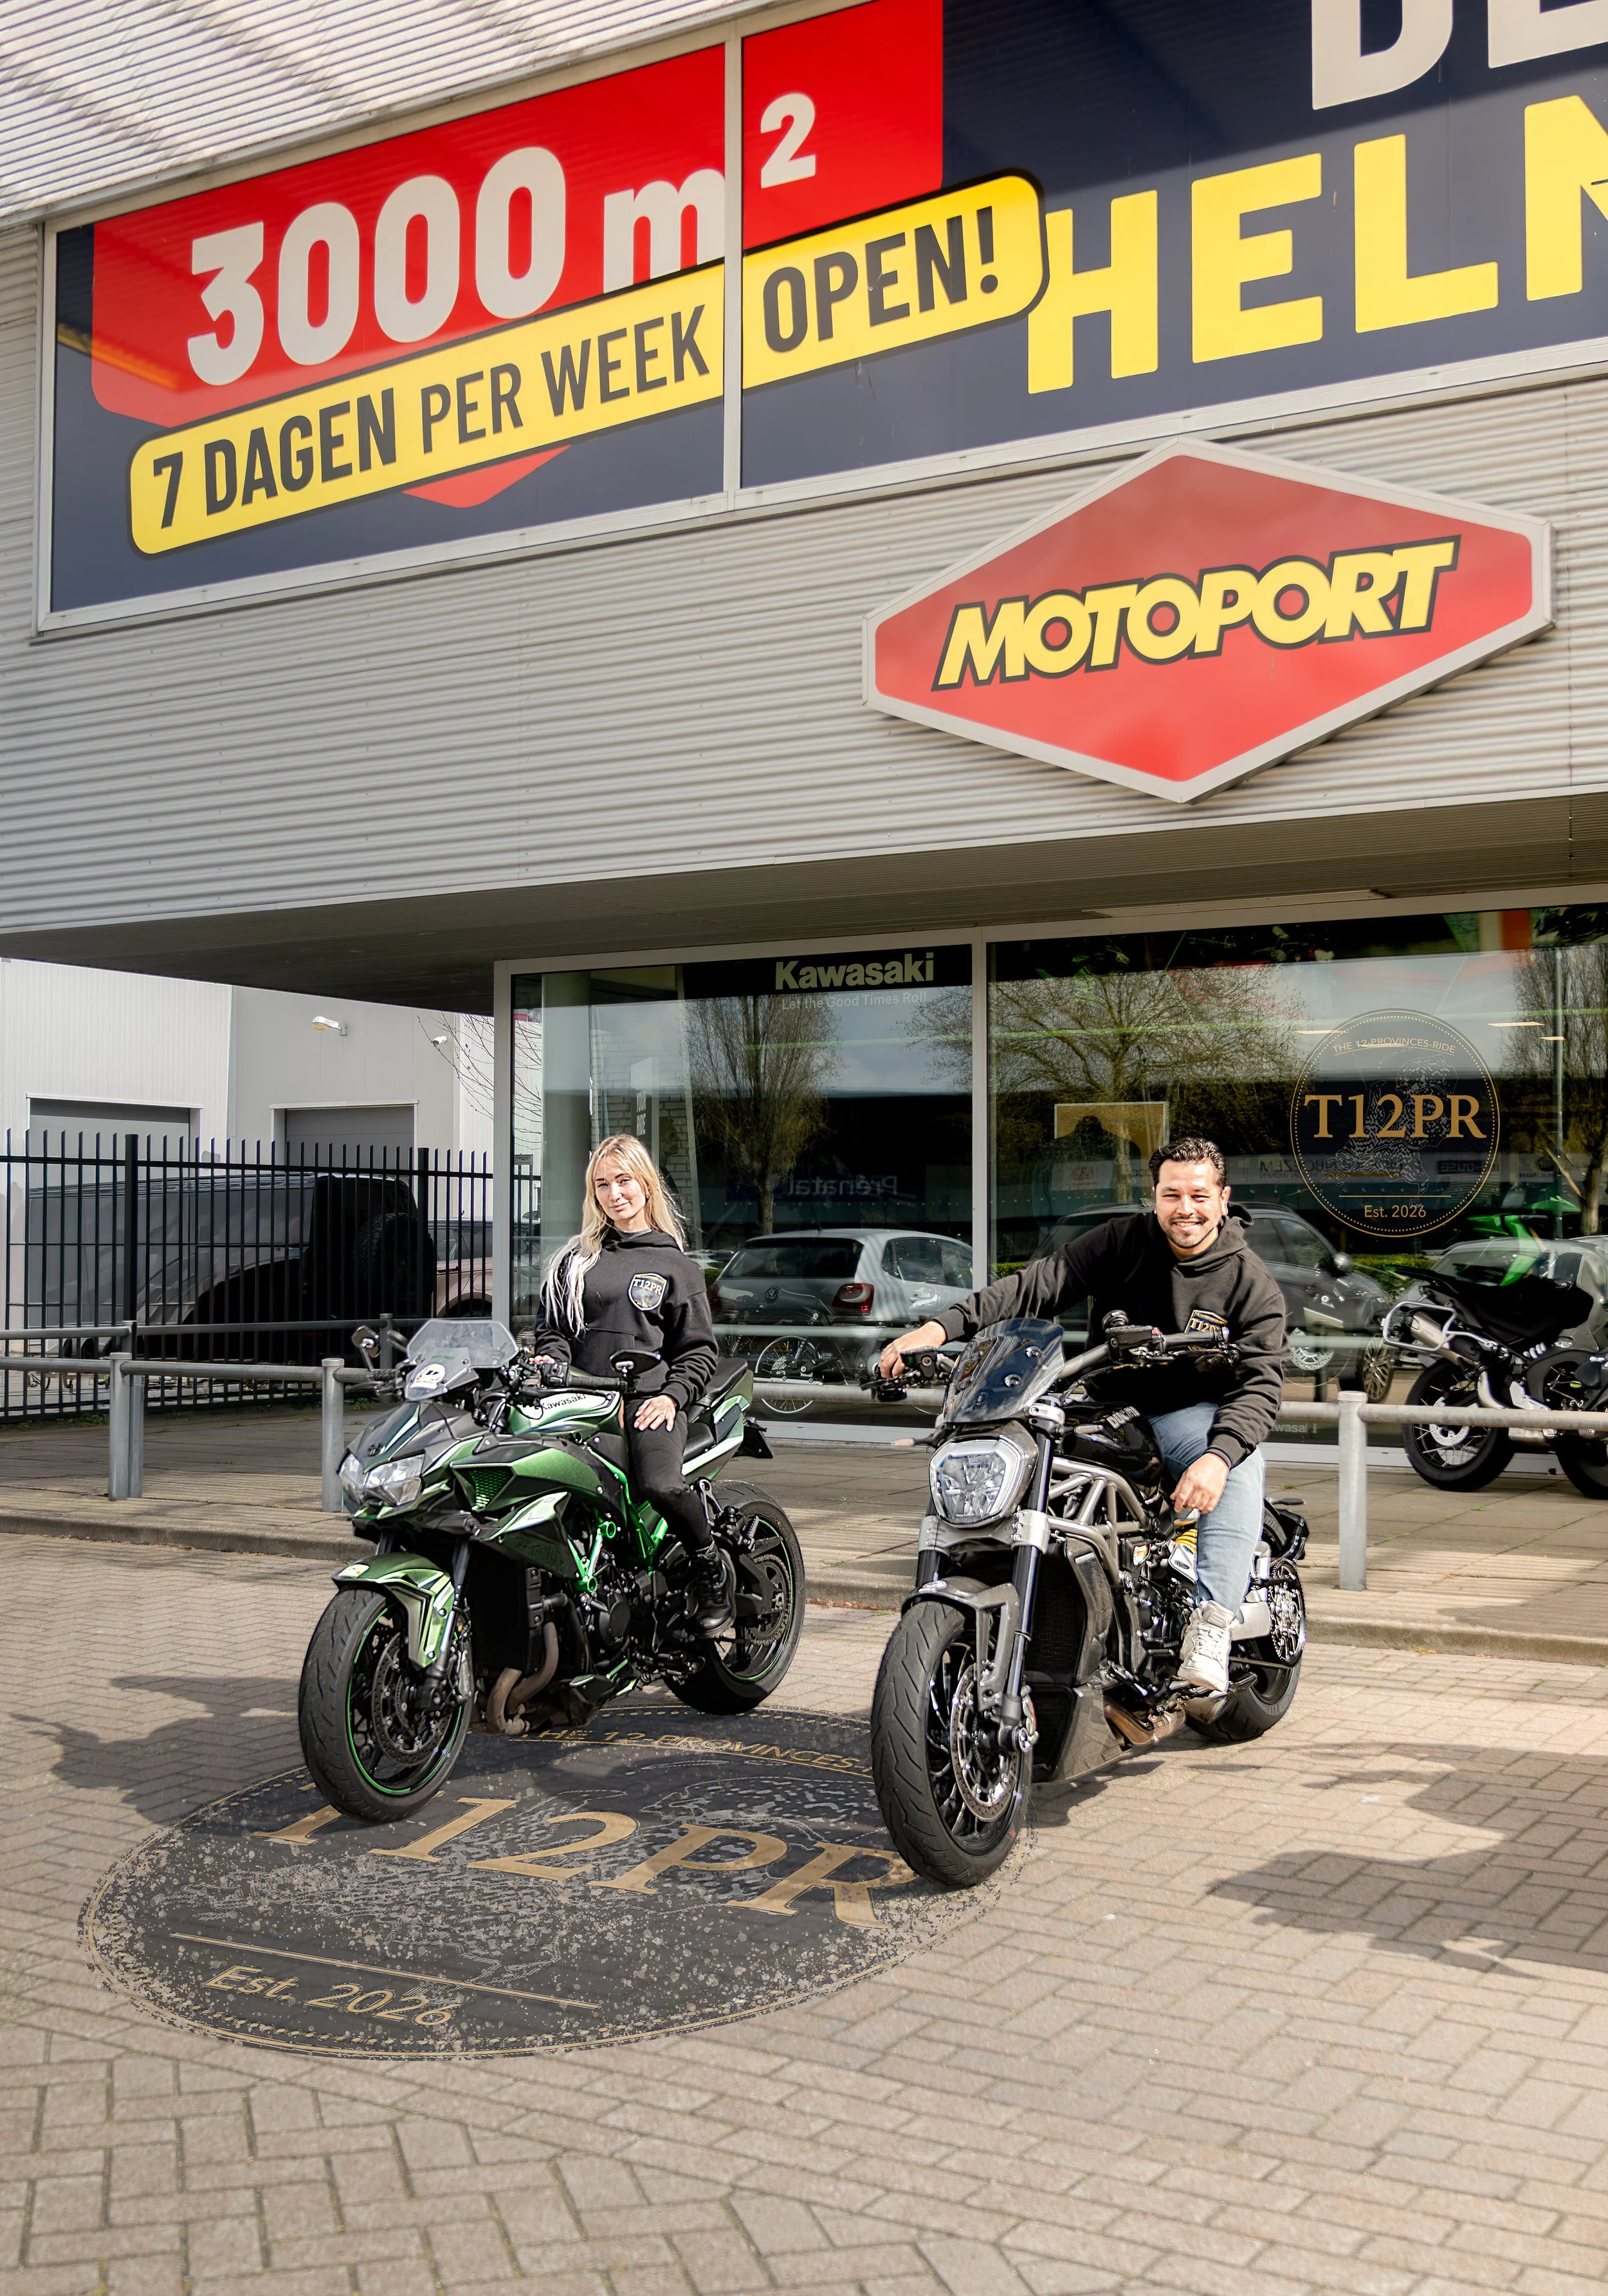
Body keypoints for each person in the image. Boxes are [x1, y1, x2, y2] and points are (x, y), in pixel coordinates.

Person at [878, 1137, 1287, 1696]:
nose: (1185, 1208)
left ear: (1222, 1198)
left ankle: (1210, 1623)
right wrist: (940, 1329)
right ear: (1155, 1196)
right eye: (1172, 1194)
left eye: (1198, 1194)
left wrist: (1219, 1454)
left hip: (1187, 1415)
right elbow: (1035, 1286)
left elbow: (1262, 1381)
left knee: (1239, 1466)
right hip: (1102, 1403)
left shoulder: (1248, 1279)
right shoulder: (1123, 1241)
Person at [533, 1135, 731, 1634]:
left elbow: (700, 1349)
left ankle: (710, 1569)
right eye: (602, 1184)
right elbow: (551, 1330)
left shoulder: (675, 1265)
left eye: (623, 1180)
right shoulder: (574, 1260)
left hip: (649, 1402)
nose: (614, 1193)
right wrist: (553, 1365)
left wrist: (670, 1396)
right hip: (578, 1400)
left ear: (645, 1184)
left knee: (660, 1484)